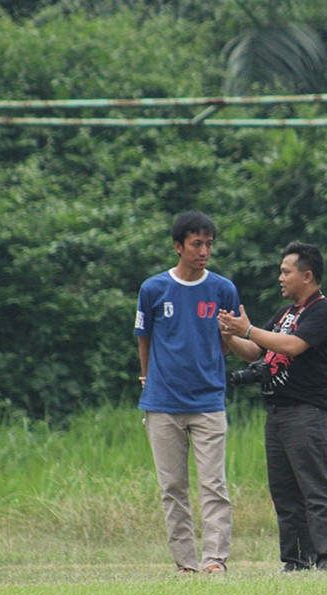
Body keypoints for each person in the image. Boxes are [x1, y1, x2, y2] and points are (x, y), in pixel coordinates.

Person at [220, 241, 327, 572]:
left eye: (285, 271)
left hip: (308, 410)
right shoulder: (285, 313)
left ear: (307, 276)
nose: (280, 277)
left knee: (314, 485)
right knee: (284, 490)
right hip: (277, 411)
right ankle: (295, 559)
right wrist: (231, 335)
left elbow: (292, 346)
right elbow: (256, 351)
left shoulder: (324, 311)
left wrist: (247, 328)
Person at [134, 210, 239, 575]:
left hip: (209, 399)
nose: (204, 251)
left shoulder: (223, 288)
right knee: (172, 486)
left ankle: (214, 560)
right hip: (162, 403)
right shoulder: (153, 289)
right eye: (196, 244)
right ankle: (186, 563)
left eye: (209, 244)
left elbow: (227, 344)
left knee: (214, 483)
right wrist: (147, 378)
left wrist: (228, 335)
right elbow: (144, 338)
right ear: (179, 246)